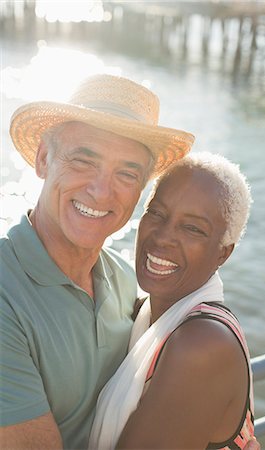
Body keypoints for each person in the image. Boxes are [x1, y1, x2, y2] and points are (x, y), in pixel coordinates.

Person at [0, 73, 195, 450]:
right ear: (43, 159)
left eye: (126, 173)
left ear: (141, 190)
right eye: (83, 161)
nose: (101, 191)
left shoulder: (123, 277)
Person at [89, 152, 256, 450]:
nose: (163, 237)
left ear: (223, 253)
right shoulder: (145, 311)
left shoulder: (201, 345)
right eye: (157, 213)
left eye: (192, 228)